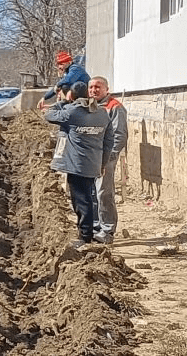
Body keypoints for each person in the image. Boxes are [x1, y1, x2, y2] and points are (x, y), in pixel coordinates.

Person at [44, 81, 113, 247]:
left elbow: (48, 114)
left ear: (72, 96)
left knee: (81, 201)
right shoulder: (102, 113)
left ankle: (85, 237)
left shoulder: (72, 112)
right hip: (94, 163)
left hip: (76, 165)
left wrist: (63, 101)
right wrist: (102, 163)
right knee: (89, 197)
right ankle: (92, 230)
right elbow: (109, 141)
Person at [89, 76, 128, 244]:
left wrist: (108, 158)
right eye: (91, 87)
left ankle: (107, 231)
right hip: (89, 156)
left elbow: (119, 135)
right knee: (91, 192)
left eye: (97, 87)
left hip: (104, 158)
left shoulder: (115, 107)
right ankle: (95, 228)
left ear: (106, 89)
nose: (93, 90)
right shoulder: (89, 106)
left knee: (103, 193)